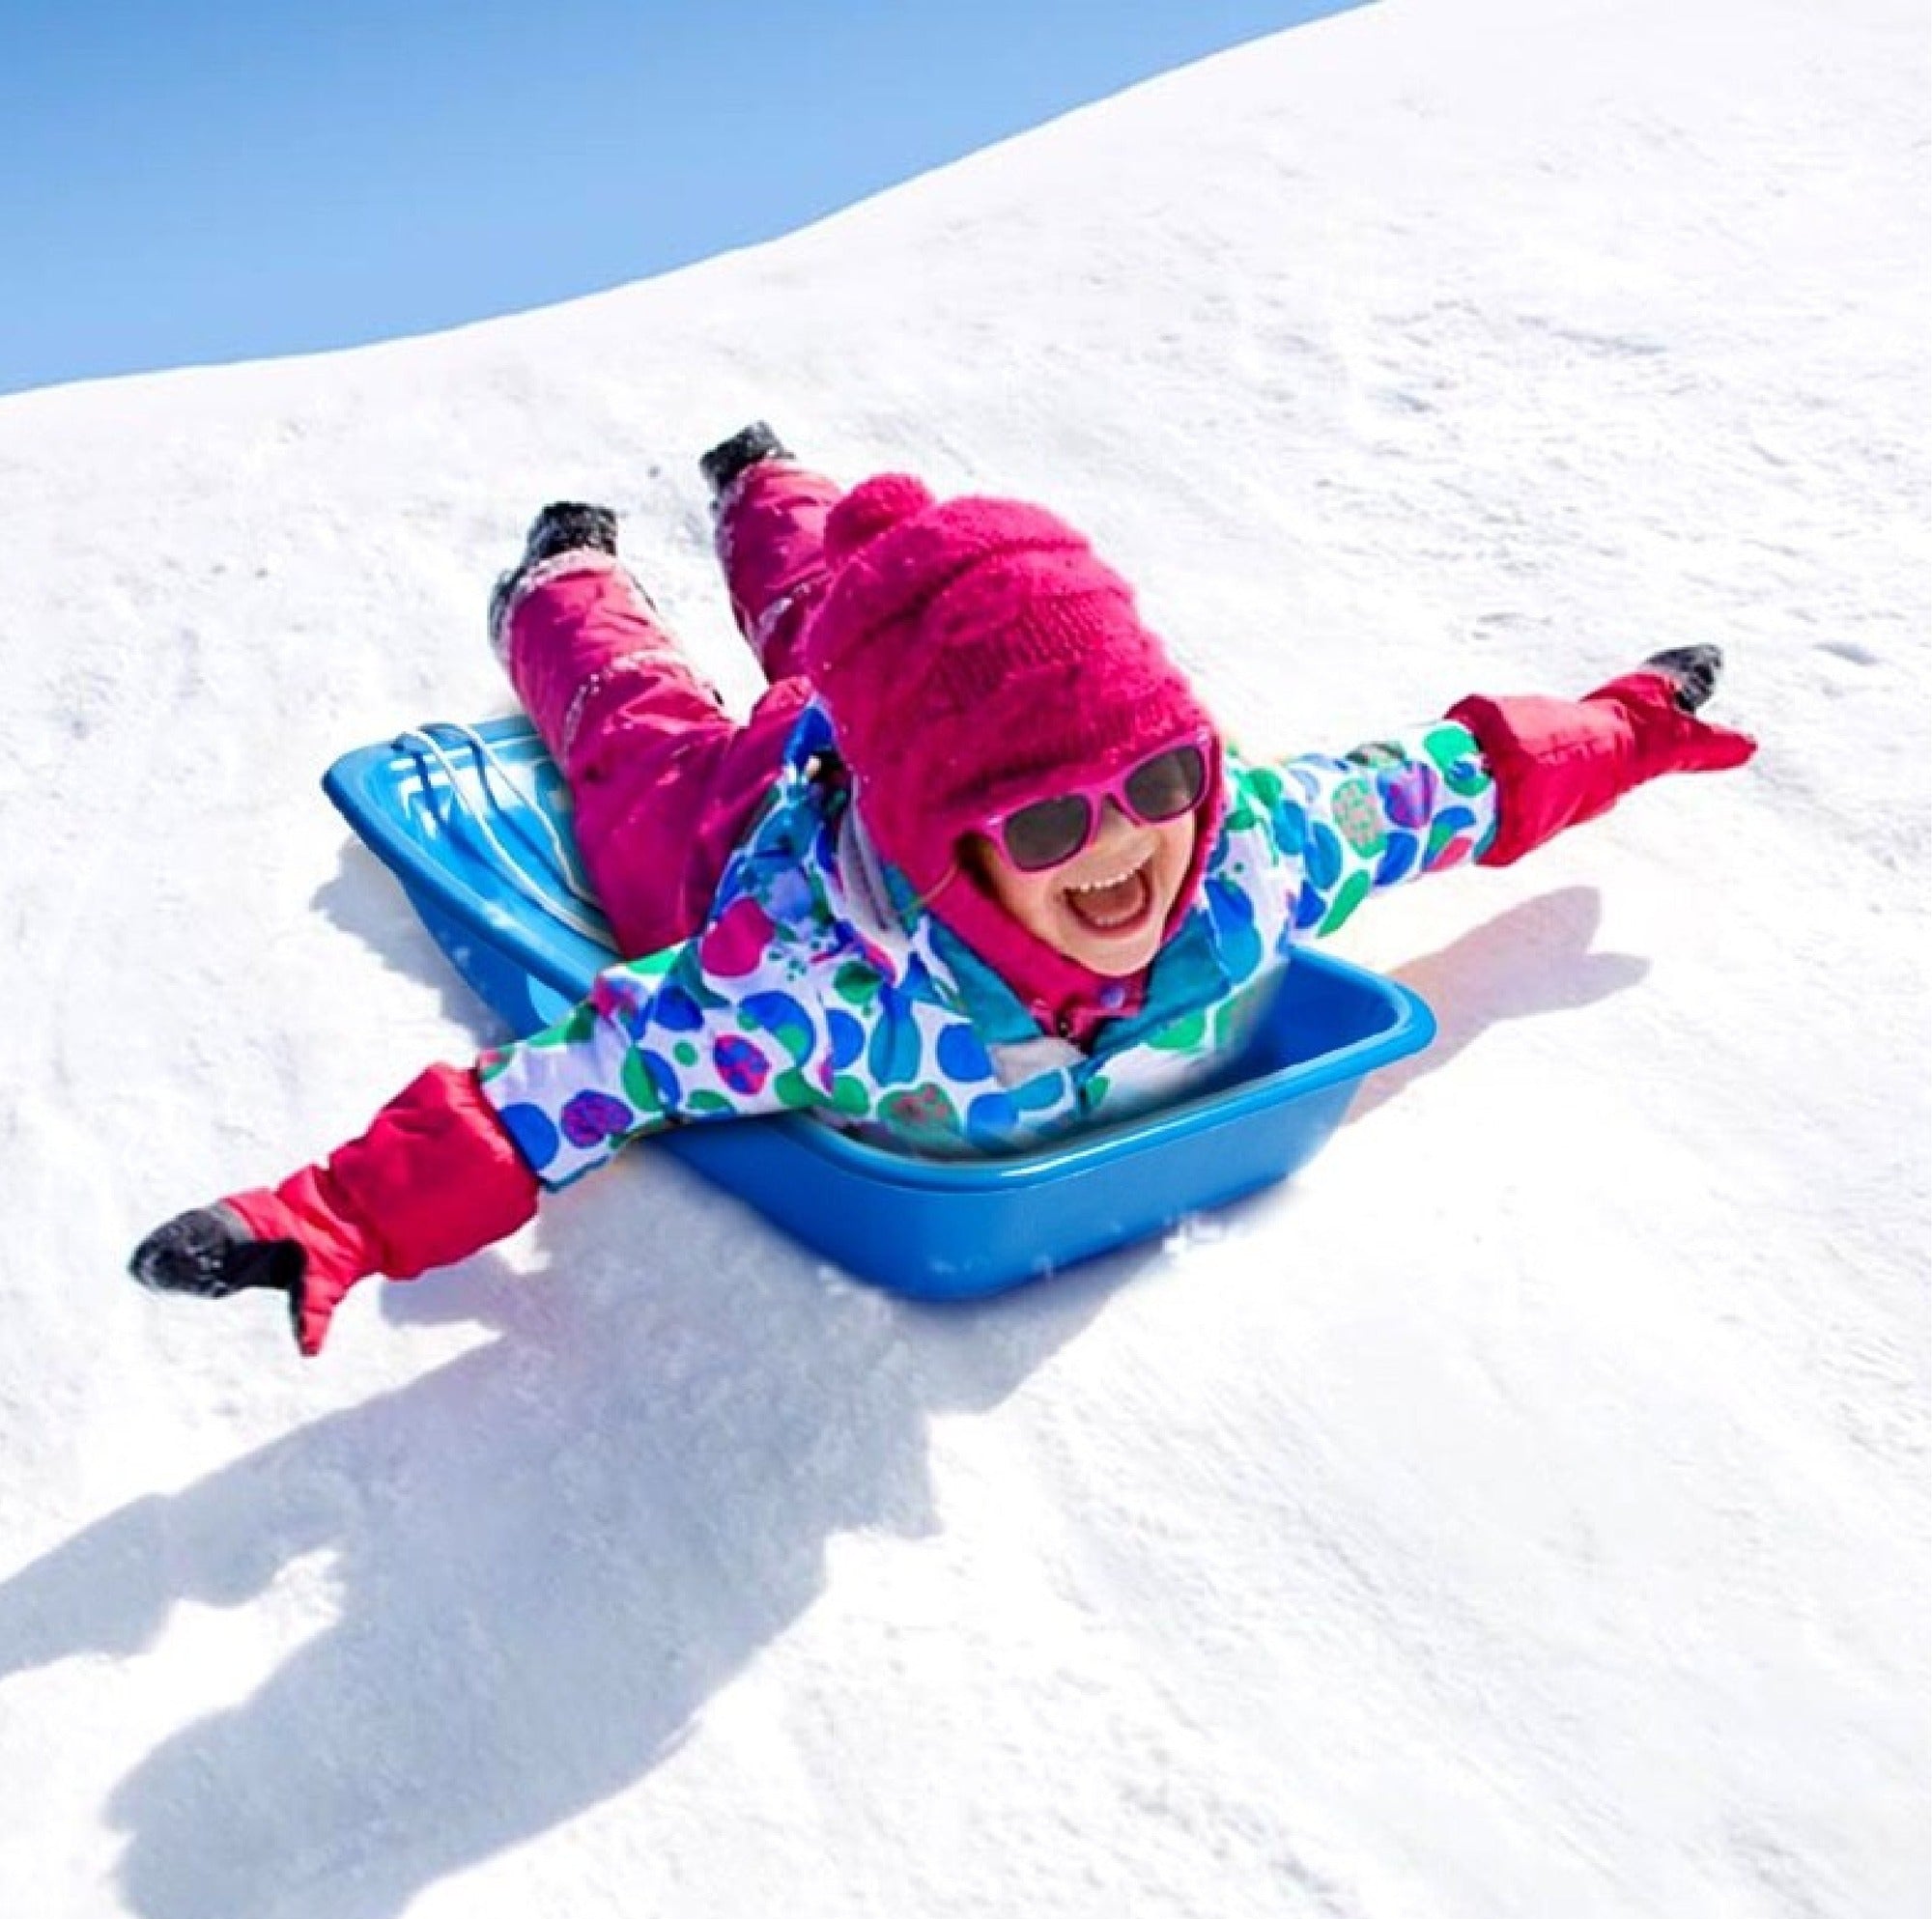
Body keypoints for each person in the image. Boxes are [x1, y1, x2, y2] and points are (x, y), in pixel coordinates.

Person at [128, 423, 1756, 1354]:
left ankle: (765, 485)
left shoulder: (1242, 852)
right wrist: (337, 1211)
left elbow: (1447, 785)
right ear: (951, 842)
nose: (1122, 854)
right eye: (1049, 830)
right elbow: (581, 1076)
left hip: (888, 745)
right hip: (721, 833)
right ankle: (562, 575)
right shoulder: (817, 989)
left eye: (1161, 783)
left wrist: (1633, 719)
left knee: (854, 603)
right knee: (635, 728)